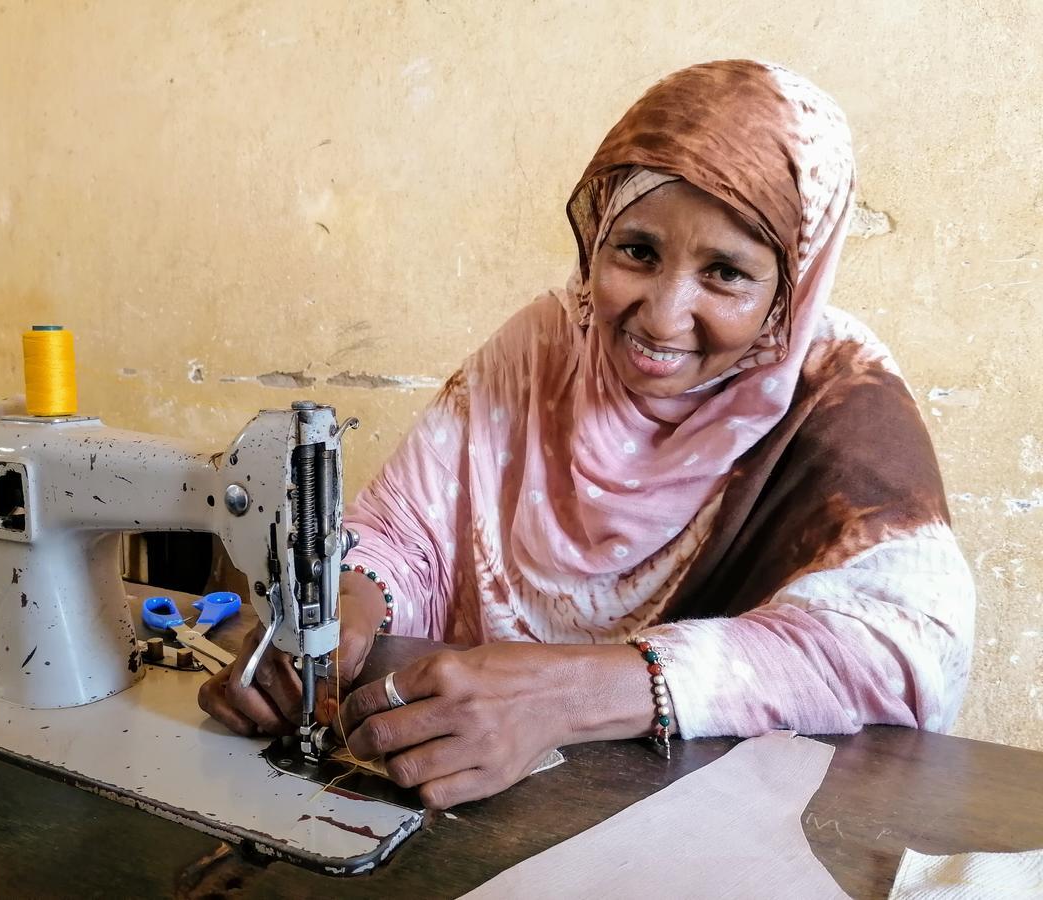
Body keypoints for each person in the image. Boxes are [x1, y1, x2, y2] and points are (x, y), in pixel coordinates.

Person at [199, 59, 975, 810]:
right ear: (597, 236)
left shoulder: (837, 392)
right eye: (636, 252)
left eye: (727, 274)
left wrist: (572, 691)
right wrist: (342, 610)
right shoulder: (545, 345)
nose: (663, 316)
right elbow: (412, 531)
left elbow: (903, 650)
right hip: (480, 789)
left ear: (791, 290)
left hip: (713, 818)